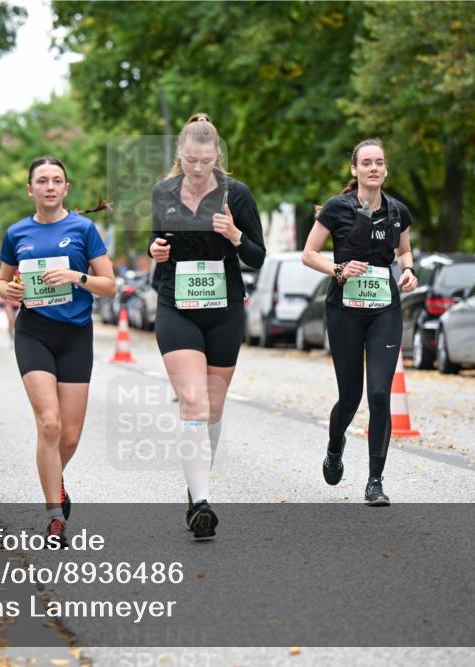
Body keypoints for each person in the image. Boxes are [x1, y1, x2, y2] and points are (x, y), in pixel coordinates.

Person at [148, 113, 266, 540]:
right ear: (182, 156)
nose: (198, 169)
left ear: (218, 155)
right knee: (194, 403)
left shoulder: (239, 195)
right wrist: (155, 249)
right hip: (175, 304)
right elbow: (156, 241)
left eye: (205, 161)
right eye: (191, 161)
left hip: (224, 308)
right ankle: (200, 504)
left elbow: (258, 256)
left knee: (212, 409)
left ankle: (196, 483)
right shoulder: (164, 193)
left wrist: (235, 235)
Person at [0, 156, 115, 547]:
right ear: (30, 189)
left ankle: (53, 481)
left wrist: (76, 277)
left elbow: (109, 285)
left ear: (66, 188)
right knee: (49, 424)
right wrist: (8, 290)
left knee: (69, 434)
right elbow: (1, 281)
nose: (49, 186)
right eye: (42, 181)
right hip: (34, 332)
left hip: (76, 336)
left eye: (57, 180)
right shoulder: (17, 233)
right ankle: (54, 518)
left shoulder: (83, 229)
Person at [301, 138, 418, 506]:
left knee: (381, 393)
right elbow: (309, 254)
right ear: (355, 169)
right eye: (366, 162)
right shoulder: (337, 208)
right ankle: (335, 448)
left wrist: (409, 270)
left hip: (384, 309)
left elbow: (404, 250)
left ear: (385, 169)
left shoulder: (398, 211)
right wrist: (338, 269)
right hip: (345, 310)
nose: (373, 168)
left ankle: (375, 481)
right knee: (350, 397)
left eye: (379, 162)